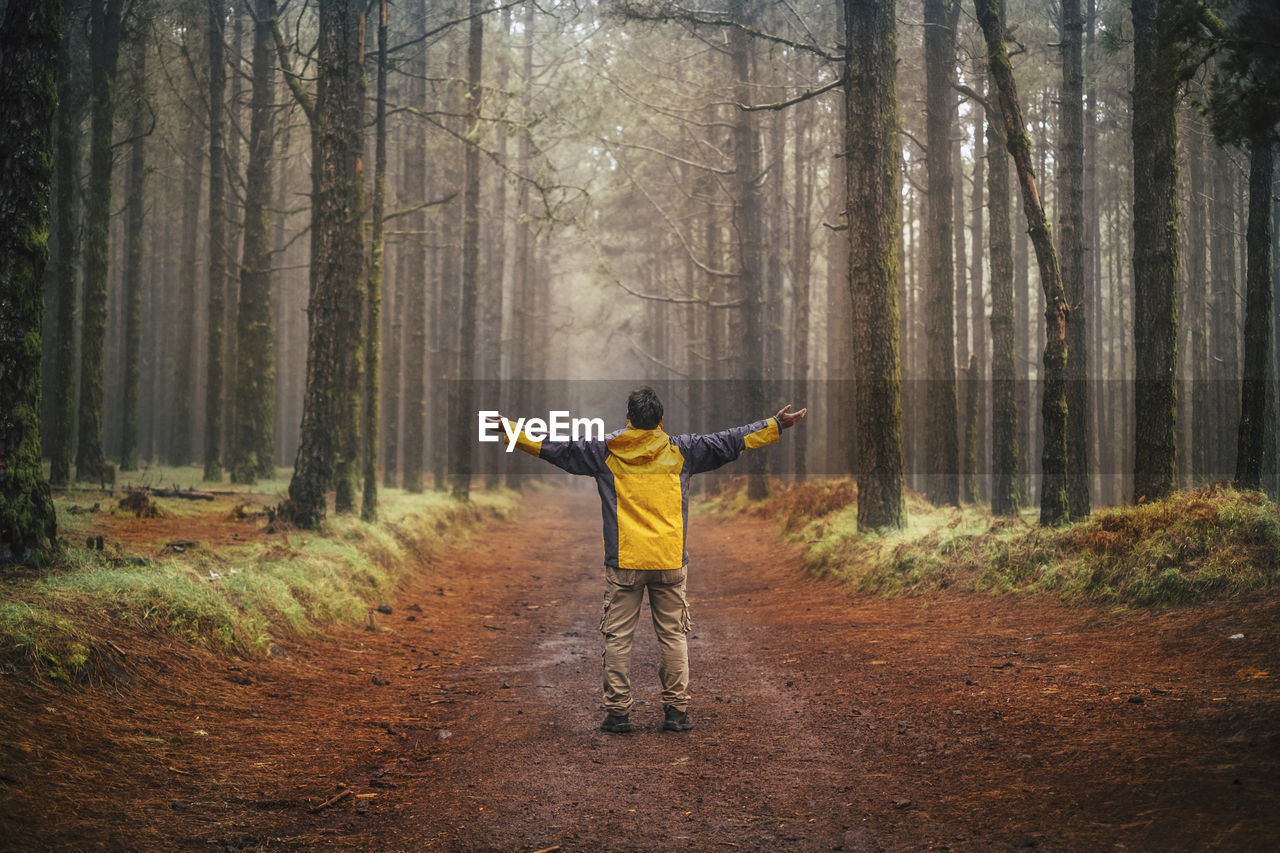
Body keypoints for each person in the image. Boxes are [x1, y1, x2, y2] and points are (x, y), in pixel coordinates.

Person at [486, 387, 807, 733]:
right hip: (669, 561)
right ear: (660, 421)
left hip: (624, 562)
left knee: (618, 637)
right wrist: (775, 424)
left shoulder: (602, 452)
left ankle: (619, 714)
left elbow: (553, 446)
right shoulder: (682, 451)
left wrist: (508, 429)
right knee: (673, 635)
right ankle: (676, 712)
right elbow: (730, 441)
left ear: (628, 418)